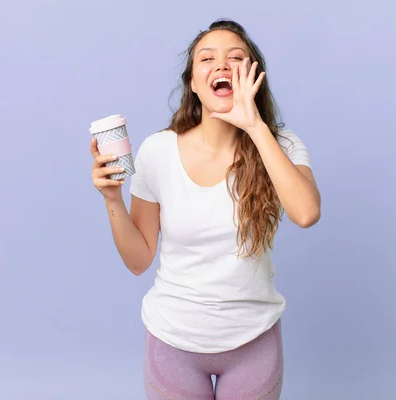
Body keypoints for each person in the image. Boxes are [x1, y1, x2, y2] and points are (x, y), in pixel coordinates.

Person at [90, 19, 321, 400]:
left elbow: (307, 213)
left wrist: (255, 126)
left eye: (236, 57)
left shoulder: (281, 145)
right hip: (173, 343)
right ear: (194, 83)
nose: (222, 65)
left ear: (253, 76)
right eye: (206, 58)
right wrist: (112, 199)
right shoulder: (157, 151)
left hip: (254, 343)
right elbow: (138, 260)